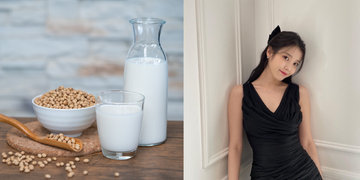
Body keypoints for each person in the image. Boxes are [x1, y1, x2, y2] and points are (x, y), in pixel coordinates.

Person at [227, 26, 323, 180]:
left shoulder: (300, 93)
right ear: (270, 52)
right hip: (265, 175)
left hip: (305, 173)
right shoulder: (240, 93)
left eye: (295, 64)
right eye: (286, 57)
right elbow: (236, 146)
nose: (289, 68)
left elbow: (307, 142)